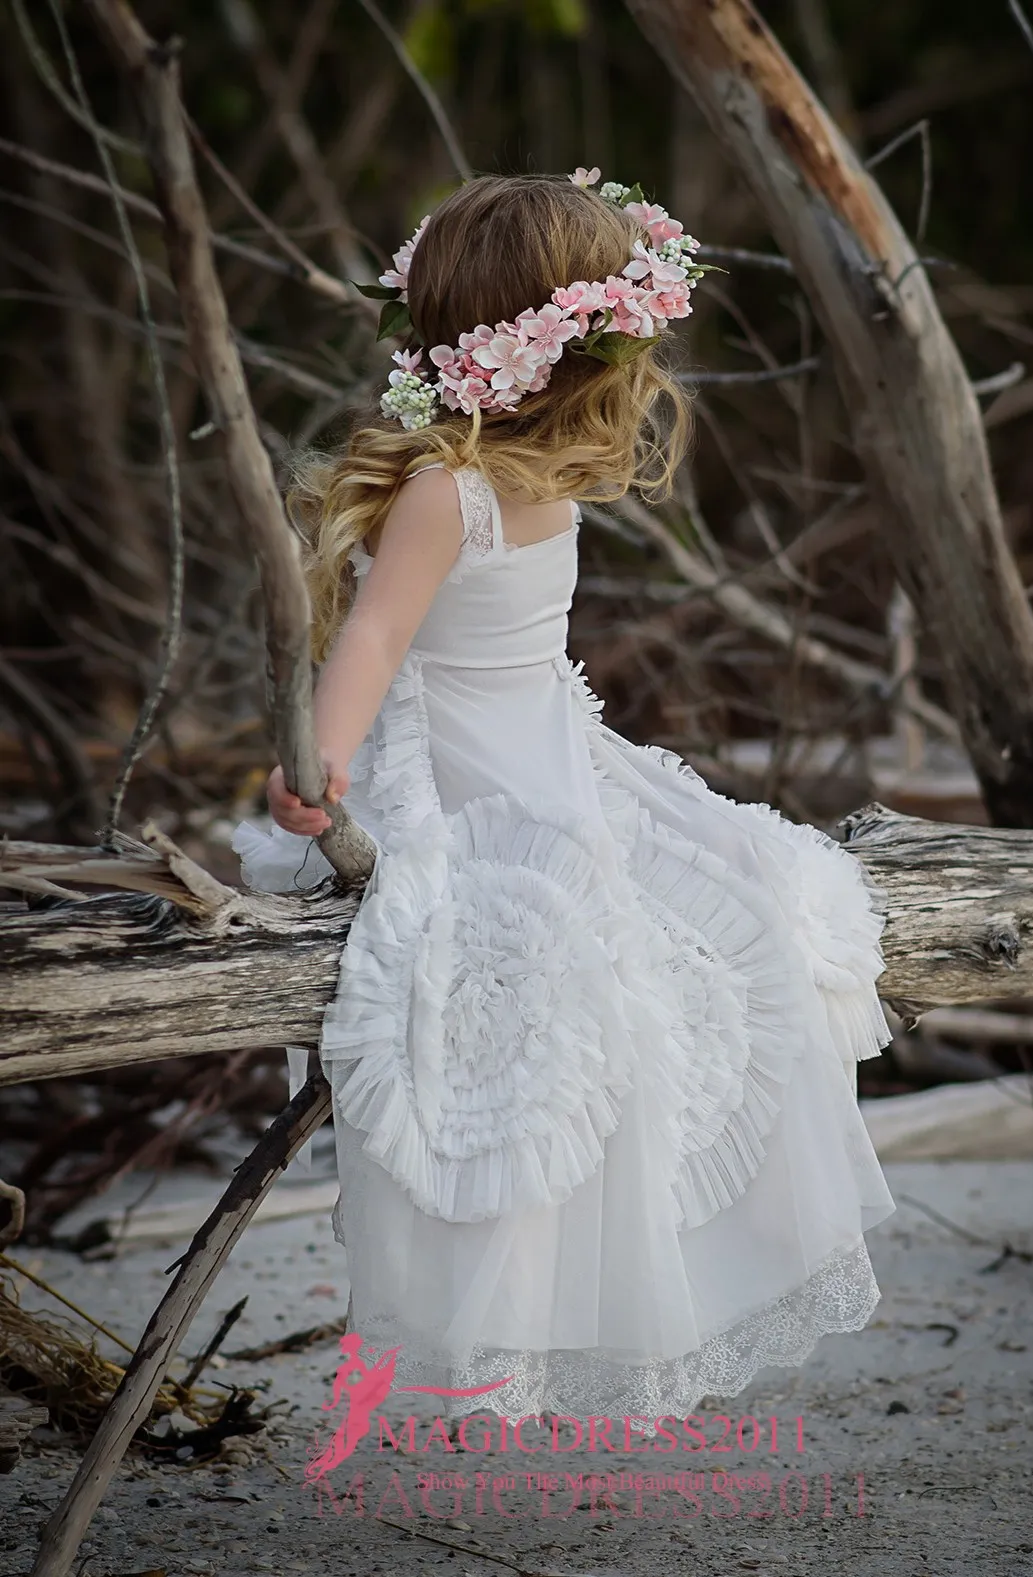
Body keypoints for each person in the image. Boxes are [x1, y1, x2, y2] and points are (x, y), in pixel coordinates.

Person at [234, 170, 895, 1425]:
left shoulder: (450, 486)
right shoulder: (549, 475)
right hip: (539, 753)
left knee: (525, 983)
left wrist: (316, 761)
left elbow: (373, 644)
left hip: (481, 774)